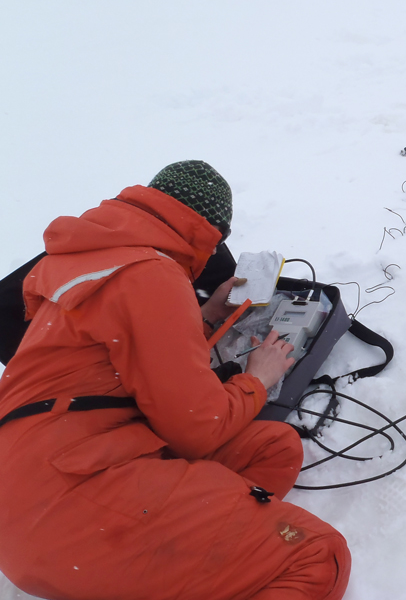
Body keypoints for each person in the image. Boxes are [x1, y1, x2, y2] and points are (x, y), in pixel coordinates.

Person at [0, 161, 350, 599]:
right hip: (73, 507)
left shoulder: (98, 260)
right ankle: (193, 556)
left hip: (28, 495)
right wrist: (257, 379)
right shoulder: (153, 275)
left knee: (274, 448)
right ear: (209, 231)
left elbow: (127, 356)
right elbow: (197, 430)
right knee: (317, 554)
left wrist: (203, 319)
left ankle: (197, 560)